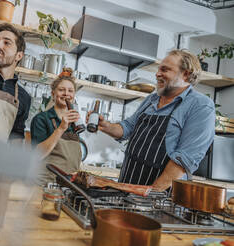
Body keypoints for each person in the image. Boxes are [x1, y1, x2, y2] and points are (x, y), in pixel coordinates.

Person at [87, 49, 215, 191]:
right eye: (159, 69)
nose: (157, 74)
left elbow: (184, 160)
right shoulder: (151, 99)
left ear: (186, 74)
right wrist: (105, 125)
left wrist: (149, 195)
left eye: (165, 70)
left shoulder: (200, 106)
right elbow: (128, 127)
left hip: (160, 196)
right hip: (128, 185)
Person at [30, 74, 82, 185]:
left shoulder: (75, 123)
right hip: (46, 183)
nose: (66, 94)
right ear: (53, 93)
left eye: (70, 91)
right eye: (61, 90)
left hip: (69, 184)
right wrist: (60, 129)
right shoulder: (41, 119)